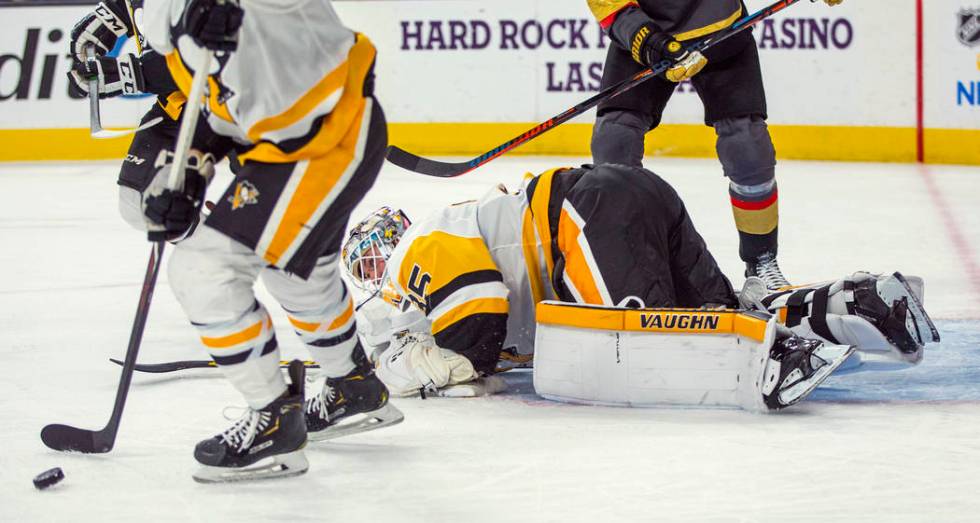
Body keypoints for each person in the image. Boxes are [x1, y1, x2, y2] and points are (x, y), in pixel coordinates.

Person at [68, 0, 402, 482]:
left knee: (203, 271)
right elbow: (213, 97)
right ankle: (353, 386)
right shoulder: (167, 16)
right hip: (292, 144)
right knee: (296, 273)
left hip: (321, 143)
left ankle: (272, 427)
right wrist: (191, 170)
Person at [340, 164, 938, 407]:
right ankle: (850, 304)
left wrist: (421, 368)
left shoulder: (419, 245)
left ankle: (776, 355)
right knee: (719, 308)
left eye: (372, 260)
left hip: (587, 217)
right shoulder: (441, 238)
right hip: (626, 201)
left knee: (647, 334)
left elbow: (477, 328)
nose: (374, 273)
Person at [585, 0, 845, 290]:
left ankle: (761, 262)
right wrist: (649, 40)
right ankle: (624, 265)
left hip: (721, 25)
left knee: (747, 147)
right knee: (614, 141)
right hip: (646, 33)